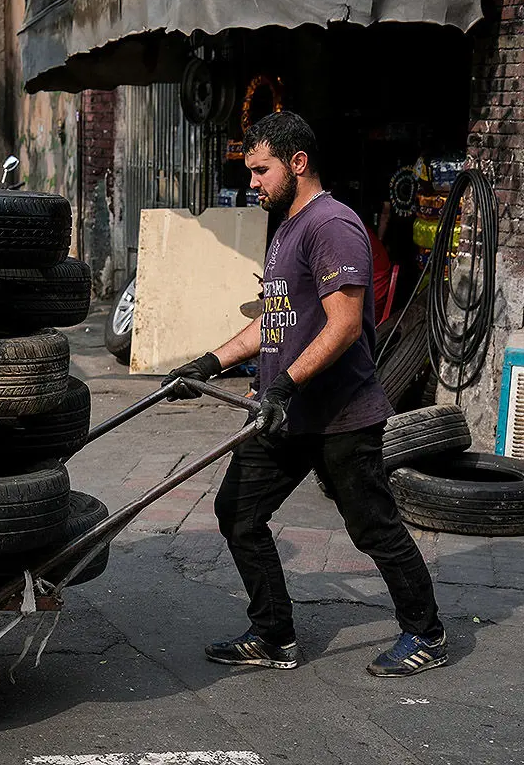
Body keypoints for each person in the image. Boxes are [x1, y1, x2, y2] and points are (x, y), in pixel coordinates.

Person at [163, 112, 444, 677]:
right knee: (238, 512)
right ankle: (274, 635)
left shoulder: (331, 225)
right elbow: (273, 322)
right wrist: (209, 363)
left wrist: (285, 384)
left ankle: (426, 633)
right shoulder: (288, 228)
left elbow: (343, 326)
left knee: (372, 527)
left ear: (298, 163)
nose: (253, 183)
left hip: (340, 414)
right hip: (285, 414)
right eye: (250, 172)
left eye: (261, 170)